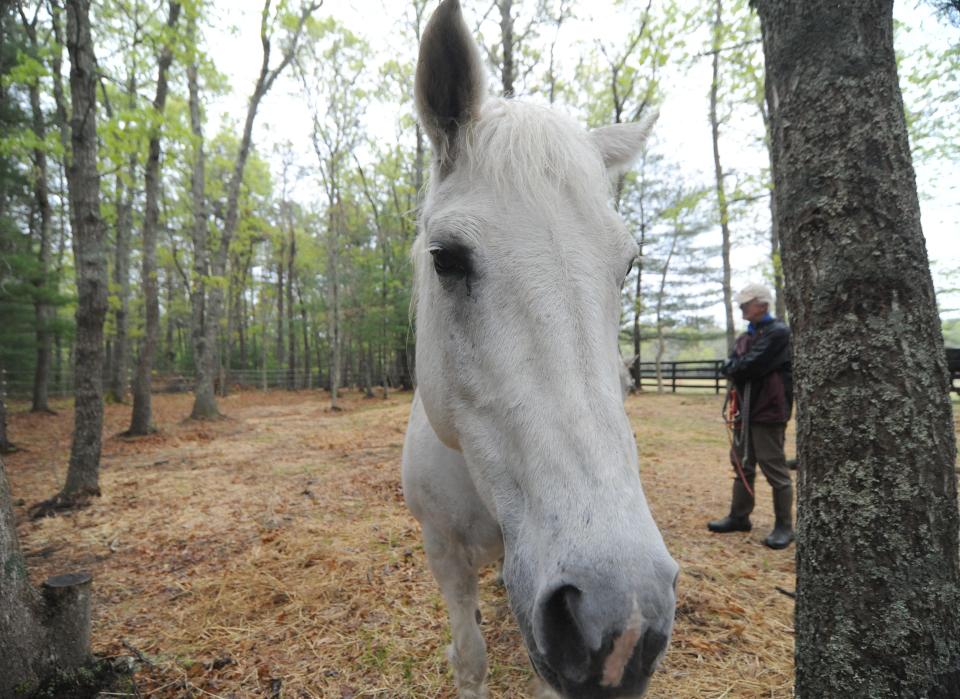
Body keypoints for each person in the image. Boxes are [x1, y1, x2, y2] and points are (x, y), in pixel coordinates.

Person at [708, 282, 794, 549]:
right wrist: (735, 367)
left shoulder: (778, 333)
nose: (742, 307)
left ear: (762, 304)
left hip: (767, 411)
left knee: (774, 468)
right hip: (744, 412)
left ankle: (784, 527)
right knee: (741, 464)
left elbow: (747, 366)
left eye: (747, 303)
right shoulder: (746, 337)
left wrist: (734, 367)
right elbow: (735, 364)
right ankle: (739, 517)